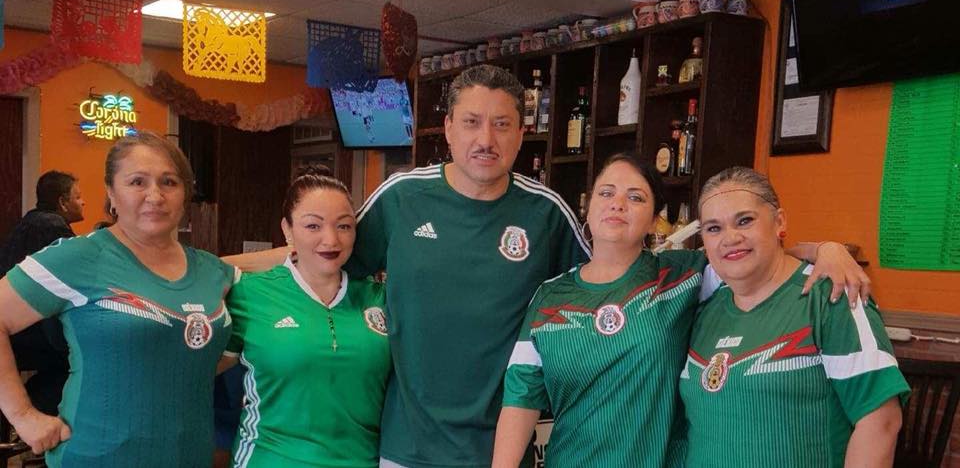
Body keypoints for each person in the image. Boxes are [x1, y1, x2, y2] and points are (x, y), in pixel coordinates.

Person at [492, 153, 871, 468]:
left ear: (654, 218)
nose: (618, 203)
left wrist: (827, 249)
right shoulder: (550, 296)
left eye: (636, 197)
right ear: (588, 207)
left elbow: (755, 254)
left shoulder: (684, 275)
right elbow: (521, 399)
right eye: (606, 193)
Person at [351, 65, 591, 468]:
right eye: (471, 122)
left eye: (502, 125)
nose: (486, 140)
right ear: (448, 128)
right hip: (406, 449)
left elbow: (604, 290)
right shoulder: (401, 197)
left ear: (521, 134)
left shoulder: (546, 213)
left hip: (503, 453)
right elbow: (325, 265)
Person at [0, 131, 237, 466]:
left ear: (185, 194)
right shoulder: (79, 257)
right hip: (97, 456)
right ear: (111, 192)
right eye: (137, 182)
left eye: (169, 182)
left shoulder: (212, 271)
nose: (155, 195)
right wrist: (23, 416)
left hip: (190, 456)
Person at [679, 167, 908, 467]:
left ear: (779, 222)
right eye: (713, 228)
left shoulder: (831, 296)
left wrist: (827, 249)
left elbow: (880, 422)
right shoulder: (704, 305)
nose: (730, 238)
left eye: (745, 220)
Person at [219, 166, 390, 467]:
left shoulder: (380, 297)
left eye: (344, 226)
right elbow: (195, 373)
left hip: (361, 460)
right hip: (270, 459)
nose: (331, 240)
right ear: (287, 229)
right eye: (313, 226)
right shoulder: (250, 293)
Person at [0, 171, 85, 415]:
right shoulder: (54, 231)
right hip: (34, 336)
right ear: (62, 202)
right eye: (78, 197)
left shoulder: (25, 224)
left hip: (17, 335)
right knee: (82, 361)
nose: (83, 202)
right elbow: (74, 283)